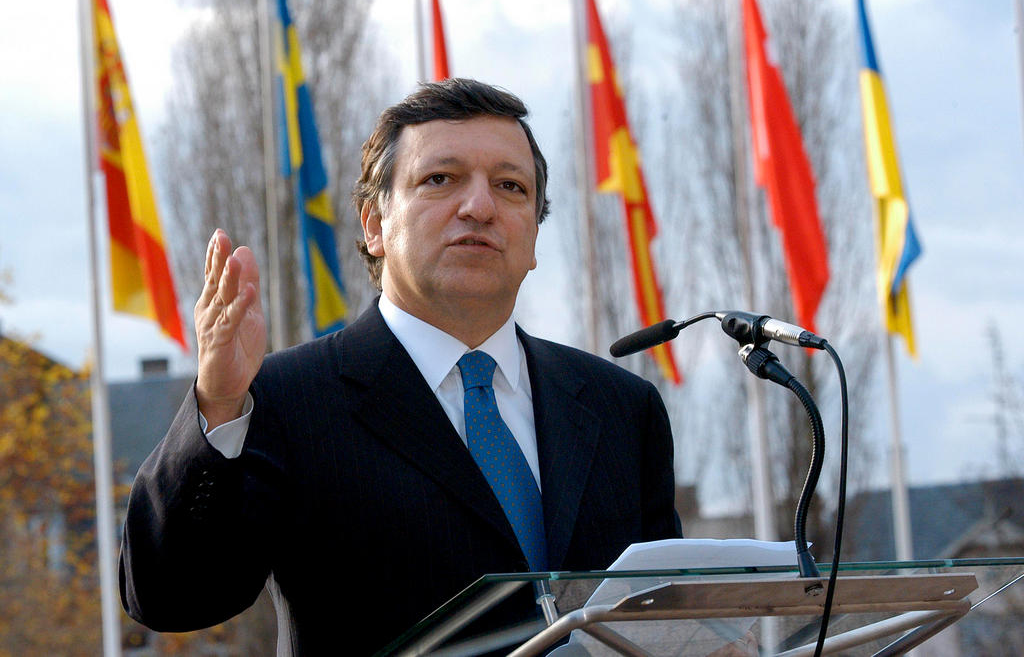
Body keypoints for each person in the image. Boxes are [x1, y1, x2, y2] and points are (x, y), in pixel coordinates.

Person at [119, 78, 681, 655]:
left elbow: (665, 615)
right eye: (441, 179)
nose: (479, 207)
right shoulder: (287, 399)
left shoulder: (620, 408)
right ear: (373, 224)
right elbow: (171, 596)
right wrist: (217, 403)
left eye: (510, 187)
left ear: (534, 235)